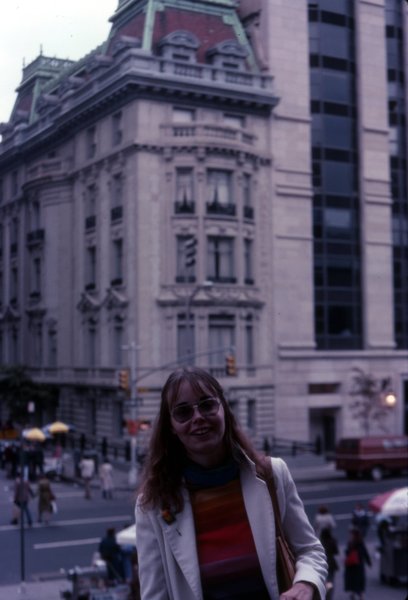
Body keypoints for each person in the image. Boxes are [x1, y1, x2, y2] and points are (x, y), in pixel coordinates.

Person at [135, 366, 327, 600]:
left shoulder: (272, 474)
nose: (198, 418)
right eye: (183, 412)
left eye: (207, 405)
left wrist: (305, 584)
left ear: (224, 409)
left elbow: (310, 550)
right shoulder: (153, 504)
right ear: (171, 427)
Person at [344, 528, 371, 600]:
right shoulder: (360, 542)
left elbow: (347, 553)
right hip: (359, 565)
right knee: (359, 581)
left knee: (353, 580)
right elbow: (365, 553)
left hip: (352, 565)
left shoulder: (351, 543)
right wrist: (369, 562)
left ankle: (354, 594)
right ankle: (360, 595)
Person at [319, 528, 339, 600]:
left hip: (323, 563)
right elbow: (336, 552)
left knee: (324, 581)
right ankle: (329, 595)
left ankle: (325, 594)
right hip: (331, 563)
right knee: (331, 580)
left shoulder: (321, 543)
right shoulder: (332, 541)